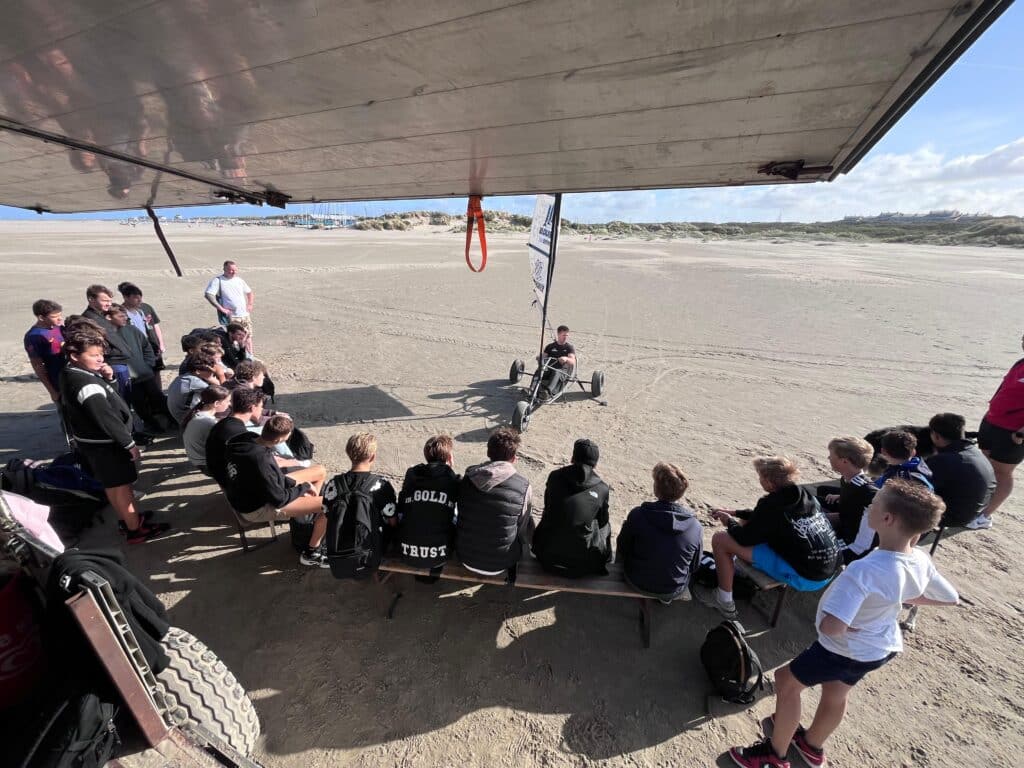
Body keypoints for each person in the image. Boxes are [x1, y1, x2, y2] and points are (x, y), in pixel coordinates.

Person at [726, 480, 959, 768]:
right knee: (837, 692)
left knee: (786, 682)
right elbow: (950, 597)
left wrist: (848, 625)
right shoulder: (920, 559)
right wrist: (899, 598)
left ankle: (775, 755)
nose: (869, 507)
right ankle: (812, 745)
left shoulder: (864, 571)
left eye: (874, 504)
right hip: (878, 648)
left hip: (843, 649)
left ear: (887, 519)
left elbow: (832, 628)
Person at [59, 329, 169, 544]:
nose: (100, 359)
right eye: (93, 355)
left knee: (113, 486)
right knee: (122, 487)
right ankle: (135, 529)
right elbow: (106, 417)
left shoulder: (70, 372)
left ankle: (128, 519)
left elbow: (107, 400)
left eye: (101, 354)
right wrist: (128, 443)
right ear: (75, 356)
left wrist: (108, 379)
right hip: (107, 445)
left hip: (94, 444)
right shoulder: (85, 384)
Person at [702, 457, 840, 621]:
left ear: (768, 482)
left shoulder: (771, 504)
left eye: (760, 476)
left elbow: (744, 538)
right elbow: (764, 518)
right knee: (748, 524)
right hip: (828, 569)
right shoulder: (804, 496)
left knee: (720, 539)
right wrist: (735, 513)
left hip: (807, 578)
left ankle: (723, 600)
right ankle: (736, 569)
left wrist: (729, 521)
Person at [222, 415, 329, 567]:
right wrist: (303, 487)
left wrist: (298, 486)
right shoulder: (261, 460)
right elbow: (279, 499)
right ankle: (311, 553)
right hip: (256, 507)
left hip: (254, 488)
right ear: (279, 440)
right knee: (331, 504)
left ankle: (309, 513)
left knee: (320, 470)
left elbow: (273, 478)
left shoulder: (245, 439)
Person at [615, 462, 702, 602]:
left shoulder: (639, 514)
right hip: (673, 588)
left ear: (656, 489)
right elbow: (695, 565)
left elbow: (623, 546)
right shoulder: (695, 526)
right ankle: (663, 596)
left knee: (629, 531)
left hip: (636, 581)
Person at [456, 427, 533, 576]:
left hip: (465, 556)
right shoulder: (523, 486)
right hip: (501, 563)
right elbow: (521, 527)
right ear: (514, 458)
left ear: (488, 452)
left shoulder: (469, 477)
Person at [531, 439, 612, 577]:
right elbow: (603, 522)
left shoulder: (554, 476)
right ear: (595, 464)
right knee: (604, 524)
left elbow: (548, 505)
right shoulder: (602, 488)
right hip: (581, 566)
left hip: (546, 558)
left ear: (572, 458)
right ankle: (606, 559)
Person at [973, 331, 1024, 529]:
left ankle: (984, 516)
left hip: (1013, 432)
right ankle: (977, 506)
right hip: (992, 422)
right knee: (985, 466)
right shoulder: (1020, 363)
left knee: (1002, 473)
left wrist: (1022, 432)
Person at [322, 432, 398, 556]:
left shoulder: (333, 484)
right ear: (372, 457)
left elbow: (326, 512)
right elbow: (392, 519)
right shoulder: (381, 485)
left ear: (348, 453)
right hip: (370, 552)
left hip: (338, 549)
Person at [396, 434, 460, 570]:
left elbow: (401, 504)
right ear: (449, 457)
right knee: (455, 510)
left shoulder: (412, 474)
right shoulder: (453, 479)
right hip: (440, 554)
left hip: (406, 552)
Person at [104, 304, 168, 433]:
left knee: (158, 398)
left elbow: (146, 347)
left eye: (125, 316)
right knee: (139, 404)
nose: (125, 318)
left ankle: (170, 420)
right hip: (129, 379)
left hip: (145, 373)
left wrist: (148, 364)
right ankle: (151, 425)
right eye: (120, 316)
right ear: (109, 317)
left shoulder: (132, 330)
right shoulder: (106, 336)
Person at [926, 412, 996, 527]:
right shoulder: (974, 451)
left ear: (936, 436)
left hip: (954, 516)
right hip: (976, 511)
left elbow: (922, 485)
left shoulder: (943, 460)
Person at [816, 437, 877, 562]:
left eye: (831, 455)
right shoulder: (848, 479)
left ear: (844, 461)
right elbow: (849, 512)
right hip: (845, 525)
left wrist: (826, 519)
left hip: (852, 544)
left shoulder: (868, 493)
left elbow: (865, 540)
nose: (828, 458)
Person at [205, 387, 266, 488]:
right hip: (231, 482)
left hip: (220, 473)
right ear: (252, 408)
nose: (262, 410)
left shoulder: (223, 423)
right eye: (261, 407)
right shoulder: (240, 435)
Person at [82, 284, 133, 399]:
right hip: (112, 365)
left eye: (110, 301)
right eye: (104, 300)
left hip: (120, 362)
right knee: (121, 399)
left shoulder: (101, 316)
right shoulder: (88, 320)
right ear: (91, 299)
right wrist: (117, 353)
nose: (109, 304)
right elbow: (94, 347)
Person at [204, 260, 254, 348]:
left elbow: (249, 292)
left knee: (248, 336)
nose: (233, 272)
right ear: (224, 269)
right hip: (231, 317)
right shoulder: (218, 281)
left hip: (244, 315)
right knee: (234, 340)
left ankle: (250, 354)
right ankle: (237, 355)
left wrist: (250, 304)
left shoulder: (239, 280)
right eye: (231, 270)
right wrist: (221, 309)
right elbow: (208, 295)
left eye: (235, 270)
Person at [182, 385, 231, 473]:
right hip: (206, 464)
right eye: (227, 401)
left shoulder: (197, 413)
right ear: (216, 403)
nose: (229, 404)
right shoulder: (209, 422)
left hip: (196, 458)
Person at [117, 282, 165, 371]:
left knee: (155, 370)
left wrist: (160, 344)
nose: (139, 300)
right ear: (125, 297)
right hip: (135, 349)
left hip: (149, 346)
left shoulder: (141, 311)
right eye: (135, 298)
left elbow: (154, 326)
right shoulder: (120, 314)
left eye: (140, 298)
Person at [24, 299, 65, 404]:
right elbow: (38, 365)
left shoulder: (58, 327)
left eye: (60, 315)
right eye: (54, 316)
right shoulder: (33, 337)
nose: (60, 319)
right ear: (41, 317)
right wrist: (52, 391)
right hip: (57, 380)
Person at [539, 325, 576, 400]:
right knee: (539, 370)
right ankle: (532, 389)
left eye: (566, 335)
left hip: (562, 371)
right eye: (563, 335)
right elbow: (543, 357)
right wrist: (540, 358)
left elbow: (573, 361)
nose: (565, 337)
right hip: (549, 368)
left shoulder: (569, 348)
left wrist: (566, 358)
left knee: (556, 371)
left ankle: (547, 392)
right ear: (558, 334)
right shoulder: (550, 346)